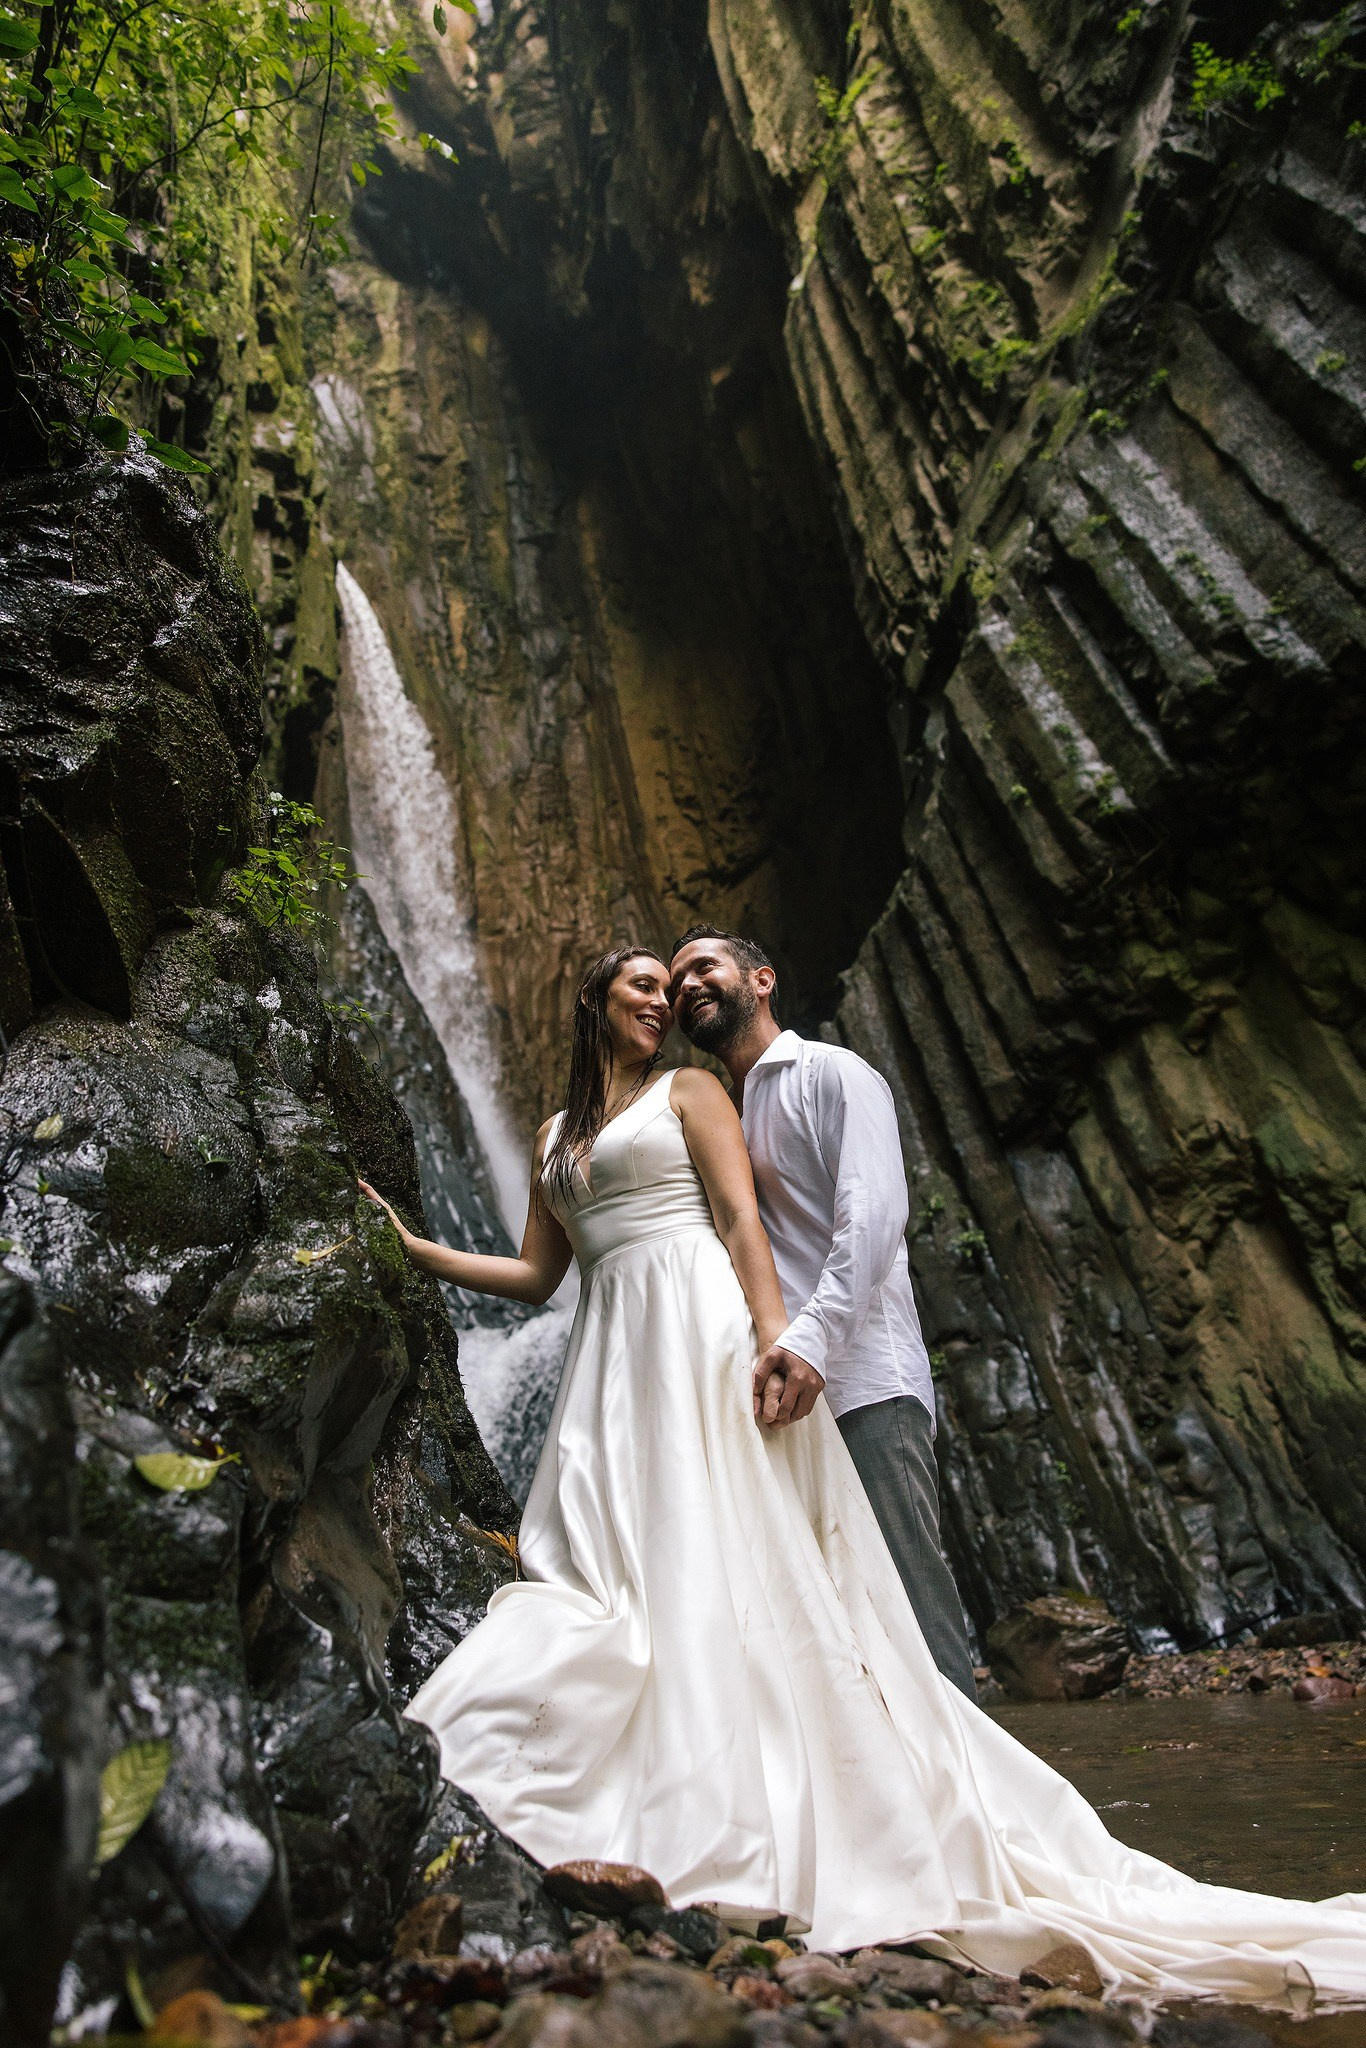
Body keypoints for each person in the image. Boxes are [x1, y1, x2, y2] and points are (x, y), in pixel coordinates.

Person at [359, 944, 1366, 1996]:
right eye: (643, 981)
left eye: (674, 980)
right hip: (610, 1355)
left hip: (699, 1329)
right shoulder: (558, 1134)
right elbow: (533, 1273)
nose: (662, 996)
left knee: (741, 1547)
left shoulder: (695, 1090)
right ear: (593, 997)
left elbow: (744, 1221)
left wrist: (772, 1336)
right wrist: (411, 1244)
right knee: (621, 1567)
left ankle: (834, 1796)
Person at [668, 923, 975, 1700]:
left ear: (761, 979)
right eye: (674, 986)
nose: (685, 989)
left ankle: (980, 1803)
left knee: (907, 1605)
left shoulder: (832, 1075)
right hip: (775, 1406)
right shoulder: (715, 1121)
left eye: (703, 968)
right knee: (830, 1631)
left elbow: (871, 1220)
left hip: (862, 1385)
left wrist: (808, 1342)